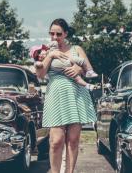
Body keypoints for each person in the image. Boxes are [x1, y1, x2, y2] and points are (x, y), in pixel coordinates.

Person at [36, 18, 97, 173]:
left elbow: (88, 70)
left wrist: (79, 70)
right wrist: (51, 56)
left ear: (66, 34)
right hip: (56, 96)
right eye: (52, 34)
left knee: (73, 140)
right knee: (56, 141)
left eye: (58, 34)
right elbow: (40, 75)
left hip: (76, 95)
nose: (55, 37)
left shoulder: (77, 49)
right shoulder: (46, 51)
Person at [30, 41, 98, 91]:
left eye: (39, 52)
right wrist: (50, 56)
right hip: (57, 91)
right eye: (37, 57)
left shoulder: (53, 49)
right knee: (77, 79)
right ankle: (87, 85)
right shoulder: (44, 61)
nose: (39, 56)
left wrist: (79, 69)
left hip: (77, 91)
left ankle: (90, 72)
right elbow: (39, 74)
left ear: (65, 33)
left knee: (80, 61)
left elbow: (55, 43)